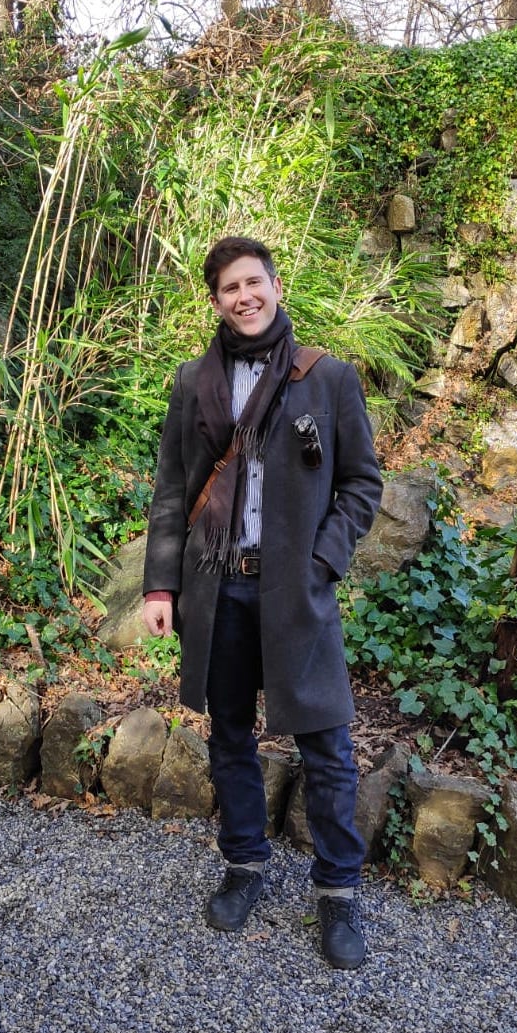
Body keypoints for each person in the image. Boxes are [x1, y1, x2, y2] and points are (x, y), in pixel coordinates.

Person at [141, 236, 384, 970]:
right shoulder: (193, 382)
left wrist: (320, 561)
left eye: (253, 283)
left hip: (294, 588)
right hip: (217, 584)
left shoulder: (328, 378)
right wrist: (161, 583)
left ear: (276, 287)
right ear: (213, 301)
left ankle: (338, 891)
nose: (243, 297)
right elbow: (175, 488)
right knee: (229, 736)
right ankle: (244, 864)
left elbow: (361, 485)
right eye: (228, 289)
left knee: (326, 744)